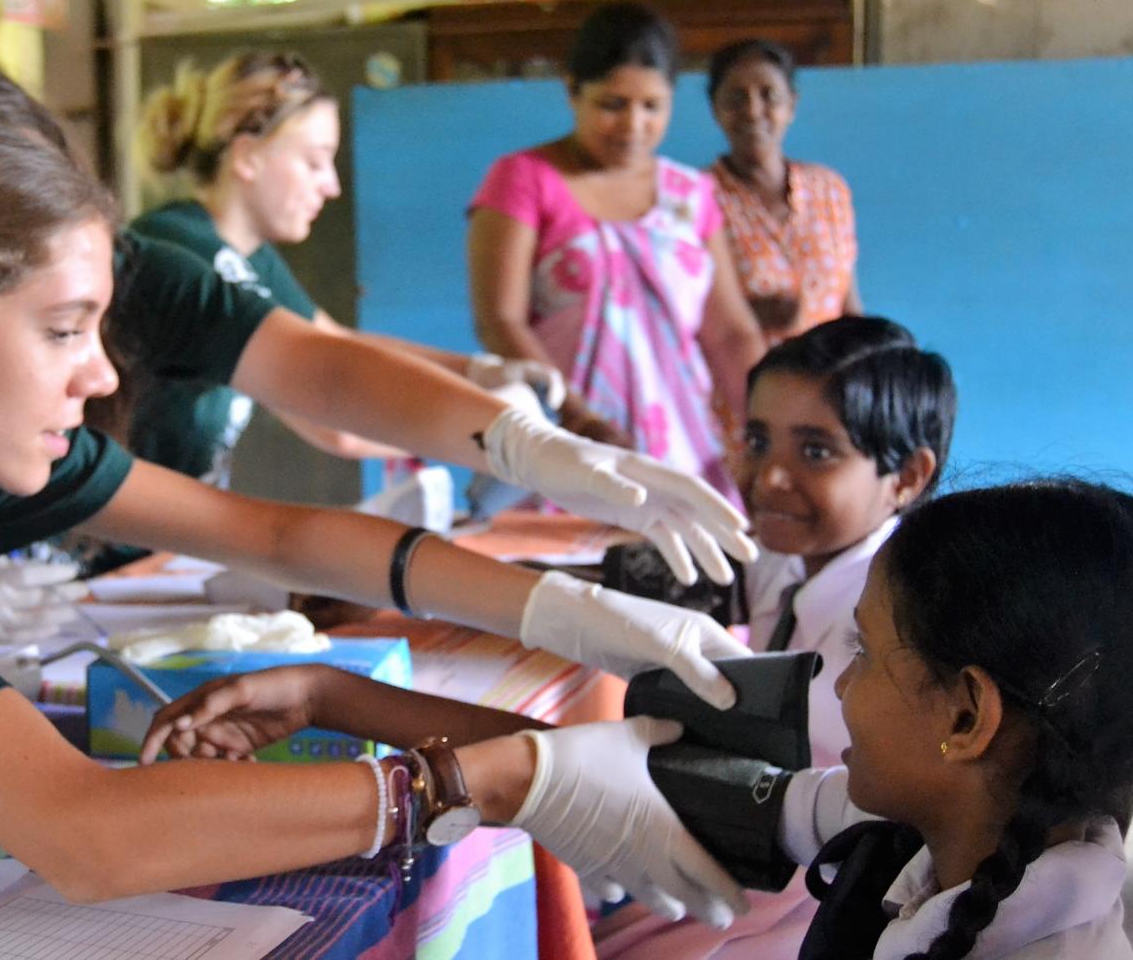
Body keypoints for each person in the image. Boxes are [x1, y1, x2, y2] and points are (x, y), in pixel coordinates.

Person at [0, 108, 752, 922]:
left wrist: (565, 609)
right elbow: (85, 833)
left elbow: (270, 533)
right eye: (64, 330)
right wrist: (485, 777)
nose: (104, 375)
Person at [0, 55, 755, 594]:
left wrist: (527, 441)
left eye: (91, 329)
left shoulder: (79, 427)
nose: (91, 376)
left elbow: (320, 398)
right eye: (61, 330)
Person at [167, 479, 1133, 958]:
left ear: (965, 719)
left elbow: (551, 774)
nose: (837, 686)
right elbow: (626, 777)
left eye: (870, 658)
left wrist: (470, 784)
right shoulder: (919, 829)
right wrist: (327, 695)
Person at [593, 315, 957, 959]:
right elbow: (624, 579)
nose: (771, 478)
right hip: (750, 841)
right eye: (757, 441)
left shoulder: (897, 626)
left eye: (815, 452)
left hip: (816, 883)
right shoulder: (785, 558)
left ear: (908, 477)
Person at [134, 50, 632, 485]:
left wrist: (477, 372)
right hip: (109, 552)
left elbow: (337, 346)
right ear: (247, 157)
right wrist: (492, 433)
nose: (331, 185)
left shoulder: (245, 256)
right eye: (314, 161)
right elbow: (336, 414)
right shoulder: (190, 251)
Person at [784, 479, 1133, 958]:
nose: (843, 684)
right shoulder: (967, 828)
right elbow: (803, 805)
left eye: (863, 651)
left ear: (966, 718)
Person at [467, 1, 766, 501]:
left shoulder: (690, 195)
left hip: (682, 452)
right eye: (612, 104)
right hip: (561, 448)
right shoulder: (524, 180)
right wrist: (575, 418)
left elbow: (730, 333)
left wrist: (768, 437)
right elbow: (500, 319)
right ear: (572, 91)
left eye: (652, 106)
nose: (633, 125)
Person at [707, 39, 862, 346]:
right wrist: (749, 313)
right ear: (715, 108)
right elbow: (675, 317)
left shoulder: (830, 190)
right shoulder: (693, 199)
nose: (752, 111)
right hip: (742, 387)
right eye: (736, 98)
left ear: (791, 105)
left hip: (827, 386)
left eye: (769, 96)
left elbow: (847, 303)